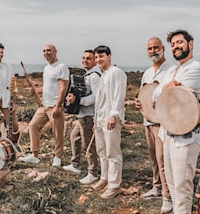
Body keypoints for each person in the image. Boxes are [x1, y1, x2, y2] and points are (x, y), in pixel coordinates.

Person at [152, 29, 200, 214]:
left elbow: (173, 92)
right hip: (168, 132)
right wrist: (166, 88)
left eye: (179, 43)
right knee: (173, 182)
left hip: (187, 135)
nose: (176, 47)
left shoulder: (197, 68)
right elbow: (155, 94)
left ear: (190, 44)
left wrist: (166, 89)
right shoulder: (172, 71)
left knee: (183, 184)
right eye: (173, 44)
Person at [134, 37, 174, 214]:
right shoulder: (147, 72)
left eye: (155, 48)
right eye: (149, 48)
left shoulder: (171, 70)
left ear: (163, 48)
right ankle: (157, 187)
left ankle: (168, 196)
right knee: (153, 159)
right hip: (147, 120)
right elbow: (144, 94)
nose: (152, 51)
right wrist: (138, 102)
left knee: (162, 158)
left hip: (162, 122)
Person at [18, 44, 69, 167]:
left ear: (55, 52)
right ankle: (34, 156)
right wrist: (37, 90)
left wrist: (58, 106)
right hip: (44, 106)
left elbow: (63, 89)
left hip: (55, 107)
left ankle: (58, 157)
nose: (46, 53)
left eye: (49, 50)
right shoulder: (47, 68)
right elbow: (47, 86)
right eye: (44, 51)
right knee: (33, 125)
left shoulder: (61, 67)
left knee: (57, 133)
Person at [91, 45, 127, 199]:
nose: (99, 60)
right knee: (101, 151)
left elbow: (119, 95)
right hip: (99, 119)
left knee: (112, 152)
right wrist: (95, 120)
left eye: (101, 56)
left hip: (110, 118)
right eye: (97, 57)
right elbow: (100, 100)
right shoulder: (103, 74)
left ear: (109, 56)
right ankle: (104, 178)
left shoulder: (116, 72)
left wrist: (114, 115)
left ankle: (114, 185)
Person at [62, 49, 102, 185]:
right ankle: (75, 164)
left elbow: (97, 97)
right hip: (82, 114)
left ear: (94, 60)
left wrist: (78, 101)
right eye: (83, 58)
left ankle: (93, 172)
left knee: (88, 144)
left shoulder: (95, 76)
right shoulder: (86, 75)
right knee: (75, 137)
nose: (85, 60)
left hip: (89, 115)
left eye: (88, 58)